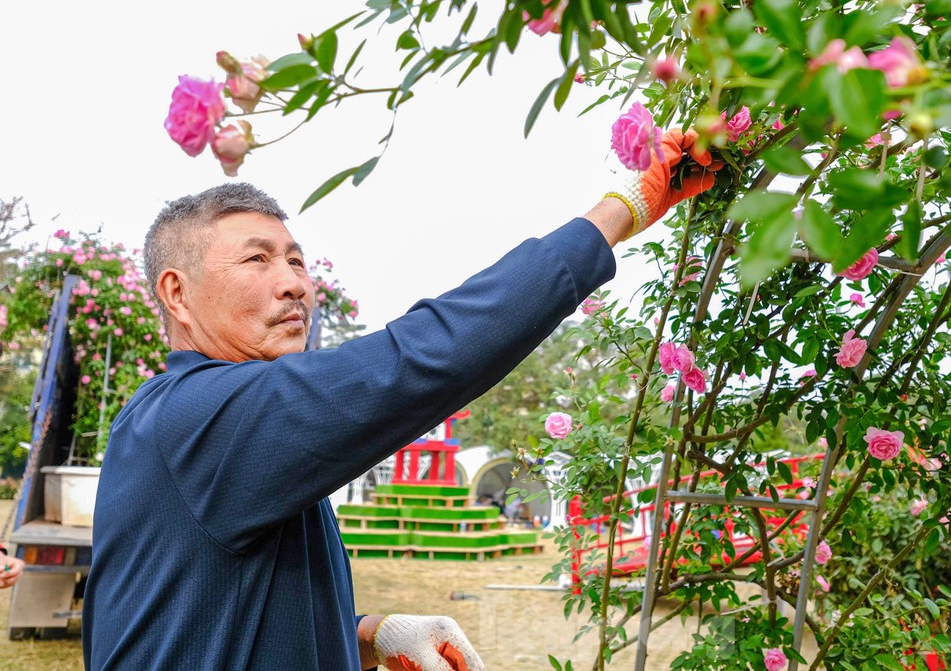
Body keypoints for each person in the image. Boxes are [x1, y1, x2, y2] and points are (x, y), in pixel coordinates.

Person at [81, 129, 718, 670]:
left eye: (298, 262)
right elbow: (422, 357)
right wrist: (624, 208)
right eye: (257, 259)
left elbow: (215, 612)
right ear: (177, 292)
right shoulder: (202, 415)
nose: (294, 285)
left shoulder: (217, 426)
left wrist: (367, 631)